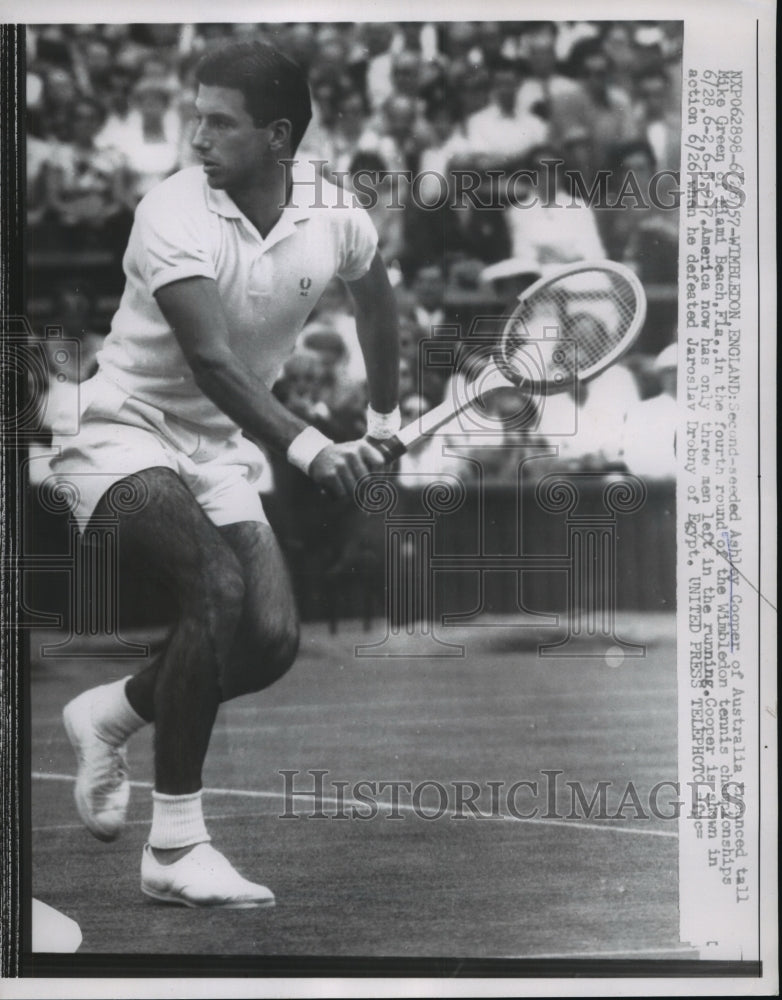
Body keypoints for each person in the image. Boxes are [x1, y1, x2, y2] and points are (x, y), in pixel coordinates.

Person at [50, 40, 400, 909]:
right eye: (193, 116)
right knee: (213, 583)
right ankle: (175, 846)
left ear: (278, 137)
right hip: (123, 428)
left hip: (221, 446)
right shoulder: (171, 209)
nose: (197, 137)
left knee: (271, 638)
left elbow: (378, 298)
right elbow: (210, 362)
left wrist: (386, 419)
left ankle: (113, 713)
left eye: (219, 122)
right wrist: (317, 447)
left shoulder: (334, 208)